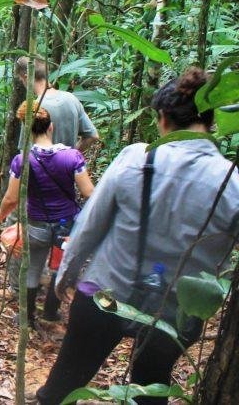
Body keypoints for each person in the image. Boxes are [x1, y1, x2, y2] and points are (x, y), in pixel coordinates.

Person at [31, 68, 239, 405]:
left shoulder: (137, 157)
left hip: (105, 295)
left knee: (62, 387)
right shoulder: (232, 183)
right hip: (175, 315)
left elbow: (90, 224)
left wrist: (64, 277)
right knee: (151, 389)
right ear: (211, 121)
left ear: (162, 119)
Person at [0, 102, 94, 326]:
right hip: (65, 227)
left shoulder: (22, 160)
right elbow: (89, 193)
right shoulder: (72, 156)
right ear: (51, 127)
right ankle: (50, 312)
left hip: (36, 225)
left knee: (33, 269)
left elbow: (11, 198)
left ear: (26, 130)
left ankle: (26, 317)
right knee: (59, 268)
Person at [16, 57, 99, 152]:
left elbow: (25, 155)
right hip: (69, 166)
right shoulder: (71, 99)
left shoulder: (34, 108)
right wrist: (69, 157)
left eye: (21, 79)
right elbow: (93, 135)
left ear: (27, 77)